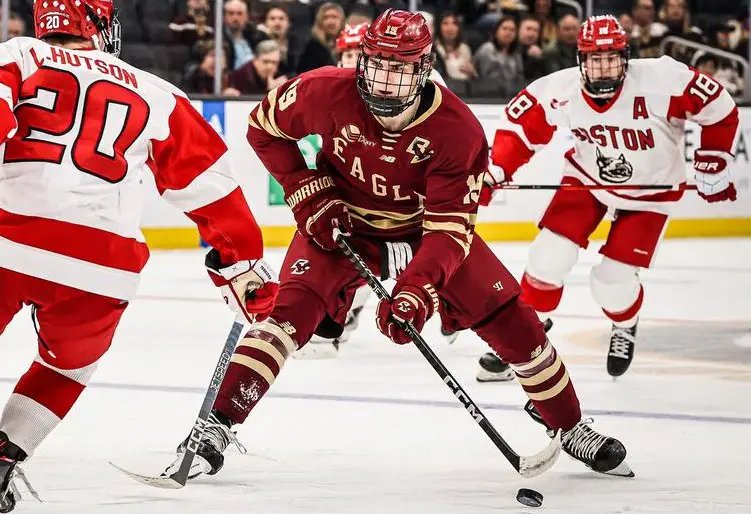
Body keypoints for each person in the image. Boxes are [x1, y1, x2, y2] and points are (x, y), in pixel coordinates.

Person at [170, 8, 632, 482]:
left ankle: (570, 425)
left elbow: (449, 232)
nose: (385, 82)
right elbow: (263, 129)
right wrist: (305, 186)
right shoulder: (323, 89)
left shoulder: (458, 130)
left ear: (424, 67)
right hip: (344, 224)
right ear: (363, 60)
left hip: (422, 231)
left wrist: (416, 290)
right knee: (284, 317)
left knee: (515, 321)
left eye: (400, 68)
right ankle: (215, 425)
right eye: (378, 65)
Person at [0, 1, 279, 510]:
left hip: (8, 243)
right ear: (99, 24)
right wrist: (242, 267)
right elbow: (210, 186)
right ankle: (3, 459)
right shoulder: (154, 90)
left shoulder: (17, 56)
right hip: (102, 266)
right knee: (67, 368)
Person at [478, 15, 738, 380]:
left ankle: (625, 324)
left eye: (611, 58)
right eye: (595, 59)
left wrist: (714, 158)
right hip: (588, 181)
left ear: (625, 56)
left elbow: (720, 109)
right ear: (580, 59)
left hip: (651, 193)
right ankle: (525, 338)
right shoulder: (562, 88)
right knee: (546, 258)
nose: (603, 68)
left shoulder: (663, 79)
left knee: (611, 283)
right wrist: (496, 171)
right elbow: (520, 128)